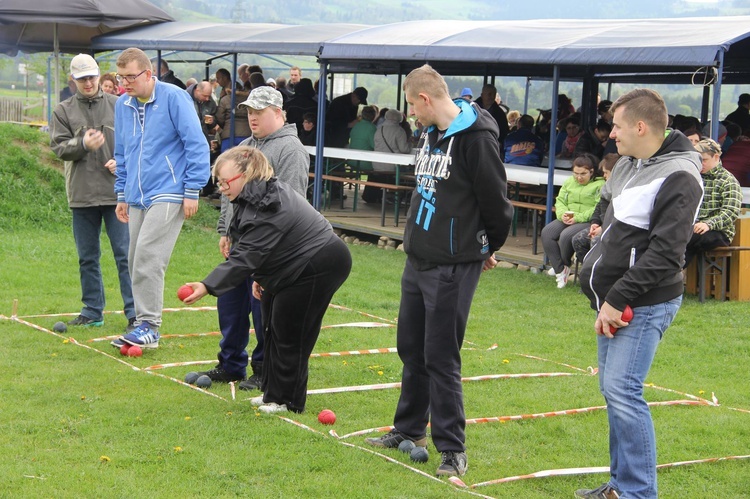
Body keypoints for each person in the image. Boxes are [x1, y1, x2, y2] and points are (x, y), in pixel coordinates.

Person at [364, 65, 513, 478]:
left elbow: (497, 204)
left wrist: (484, 246)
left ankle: (452, 449)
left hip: (452, 264)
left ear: (426, 99)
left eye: (413, 105)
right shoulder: (430, 134)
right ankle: (408, 429)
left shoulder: (477, 139)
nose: (412, 113)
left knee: (441, 356)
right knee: (411, 347)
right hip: (419, 258)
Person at [577, 89, 703, 499]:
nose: (610, 133)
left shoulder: (681, 175)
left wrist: (616, 299)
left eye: (616, 125)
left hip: (642, 302)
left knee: (623, 391)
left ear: (640, 126)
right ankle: (619, 486)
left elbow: (667, 255)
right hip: (612, 299)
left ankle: (638, 493)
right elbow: (610, 213)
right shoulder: (631, 163)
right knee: (613, 392)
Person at [181, 146, 351, 414]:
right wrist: (262, 277)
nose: (221, 188)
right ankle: (272, 393)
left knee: (290, 331)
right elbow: (256, 247)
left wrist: (207, 285)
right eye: (218, 182)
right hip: (292, 264)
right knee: (271, 325)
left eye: (226, 181)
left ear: (246, 174)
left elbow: (247, 255)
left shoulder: (269, 202)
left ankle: (289, 401)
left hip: (320, 263)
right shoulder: (252, 198)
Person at [205, 86, 310, 391]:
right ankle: (231, 364)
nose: (252, 117)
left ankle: (265, 368)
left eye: (259, 112)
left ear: (278, 113)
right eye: (249, 111)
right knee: (230, 303)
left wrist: (271, 254)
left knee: (263, 310)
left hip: (269, 247)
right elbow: (227, 192)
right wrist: (225, 229)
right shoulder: (246, 145)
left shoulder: (291, 150)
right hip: (240, 242)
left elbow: (290, 205)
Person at [111, 48, 210, 349]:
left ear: (148, 73)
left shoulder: (174, 97)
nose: (125, 83)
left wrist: (192, 189)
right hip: (137, 194)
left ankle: (150, 326)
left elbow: (196, 143)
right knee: (134, 258)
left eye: (131, 76)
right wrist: (121, 192)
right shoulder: (122, 104)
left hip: (170, 190)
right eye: (121, 77)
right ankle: (141, 323)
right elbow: (123, 151)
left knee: (149, 254)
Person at [50, 54, 135, 331]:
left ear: (99, 76)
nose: (88, 82)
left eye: (91, 77)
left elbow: (137, 142)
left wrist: (121, 162)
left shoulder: (120, 104)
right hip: (82, 194)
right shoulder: (62, 111)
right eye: (82, 78)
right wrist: (82, 143)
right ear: (73, 81)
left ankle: (135, 313)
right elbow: (60, 148)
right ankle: (92, 311)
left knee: (125, 255)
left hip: (117, 194)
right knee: (87, 256)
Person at [541, 153, 605, 288]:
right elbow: (560, 200)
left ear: (591, 172)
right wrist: (562, 214)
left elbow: (597, 207)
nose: (579, 177)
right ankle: (560, 269)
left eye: (583, 174)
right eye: (576, 173)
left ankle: (562, 266)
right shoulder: (569, 182)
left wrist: (578, 218)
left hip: (585, 220)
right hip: (568, 216)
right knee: (547, 232)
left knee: (566, 235)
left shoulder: (600, 185)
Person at [683, 138, 742, 267]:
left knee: (686, 239)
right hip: (693, 228)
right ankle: (670, 273)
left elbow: (730, 212)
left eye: (704, 160)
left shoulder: (729, 181)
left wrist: (708, 224)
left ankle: (670, 273)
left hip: (719, 233)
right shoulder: (693, 177)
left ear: (716, 157)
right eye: (698, 160)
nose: (700, 164)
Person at [571, 153, 619, 264]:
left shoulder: (622, 190)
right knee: (577, 239)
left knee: (596, 241)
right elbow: (599, 207)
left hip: (613, 229)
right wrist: (595, 222)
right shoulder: (607, 187)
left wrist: (603, 228)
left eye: (606, 173)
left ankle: (598, 274)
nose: (604, 176)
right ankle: (587, 269)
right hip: (601, 226)